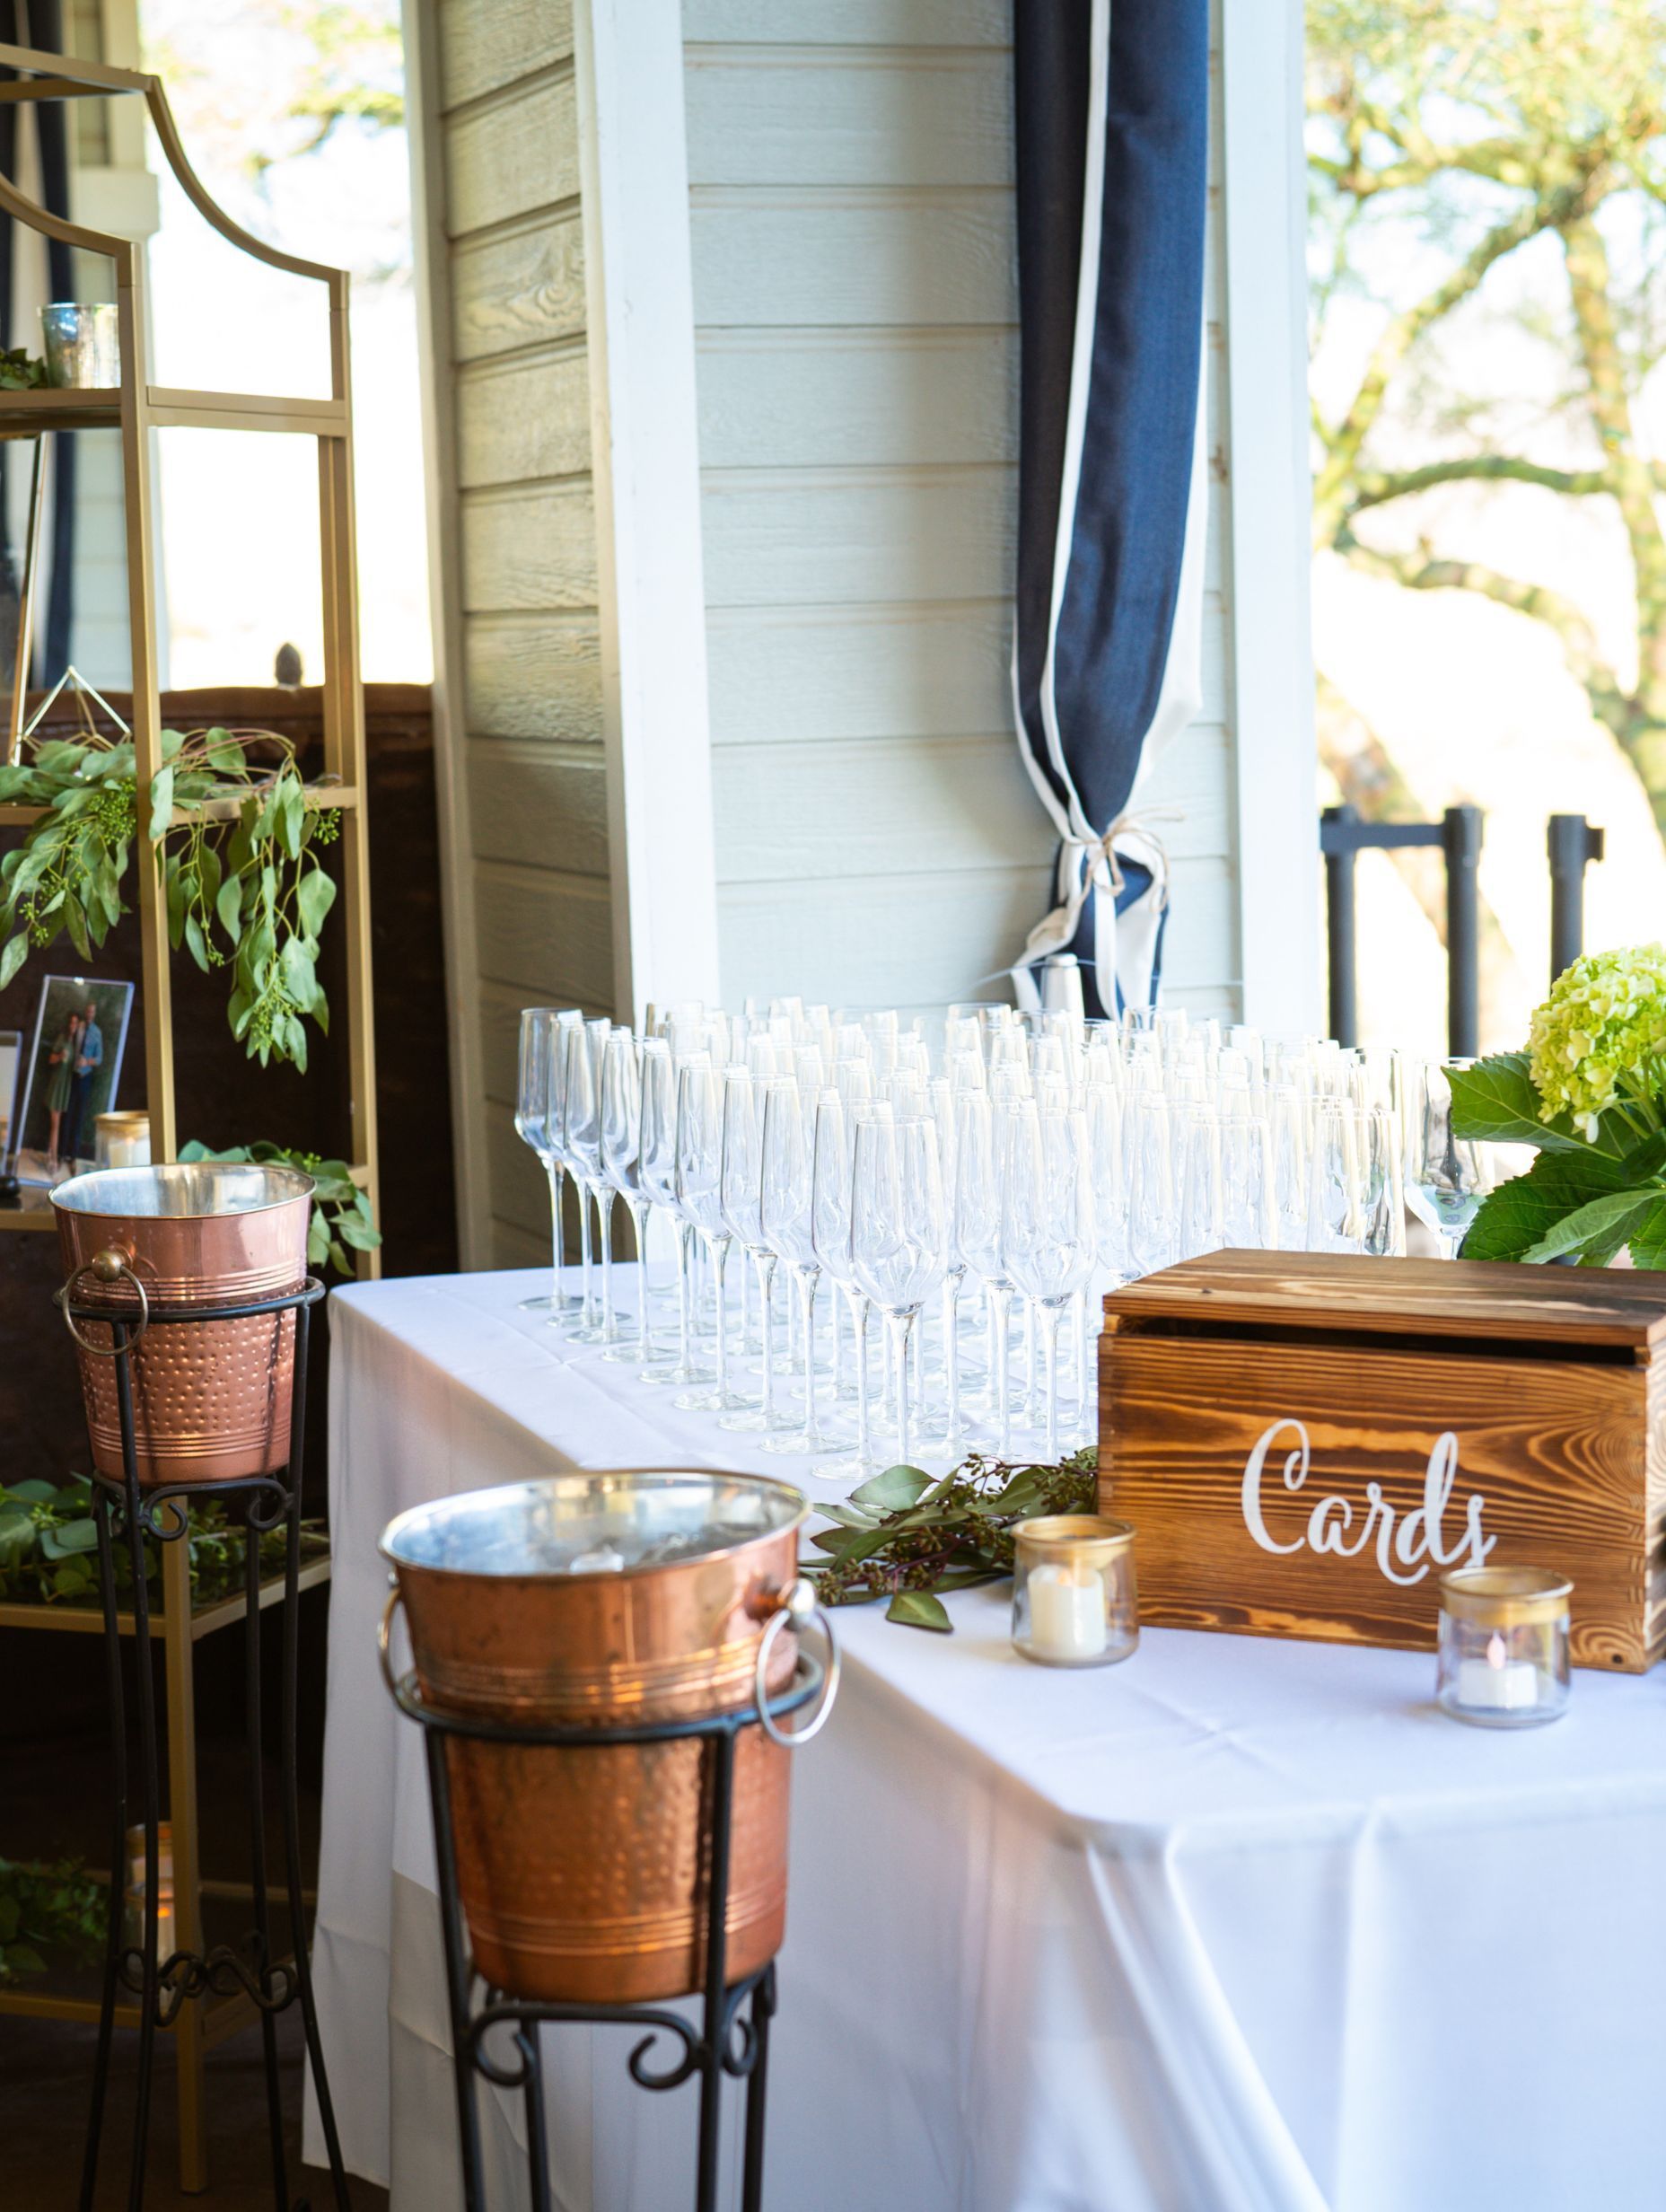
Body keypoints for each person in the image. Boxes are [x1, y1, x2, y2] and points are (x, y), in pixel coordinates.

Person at [62, 1000, 102, 1165]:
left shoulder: (97, 1033)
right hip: (72, 1075)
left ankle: (73, 1156)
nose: (89, 1015)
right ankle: (62, 1152)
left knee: (78, 1118)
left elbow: (100, 1058)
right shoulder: (79, 1027)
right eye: (88, 1012)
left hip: (85, 1077)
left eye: (92, 1012)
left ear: (95, 1013)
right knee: (67, 1114)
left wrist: (87, 1062)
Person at [42, 1010, 81, 1169]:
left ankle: (50, 1155)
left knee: (57, 1124)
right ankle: (53, 1161)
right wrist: (59, 1056)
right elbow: (51, 1059)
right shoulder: (62, 1039)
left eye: (76, 1023)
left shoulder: (76, 1044)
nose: (73, 1025)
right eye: (71, 1022)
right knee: (55, 1124)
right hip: (57, 1084)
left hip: (66, 1086)